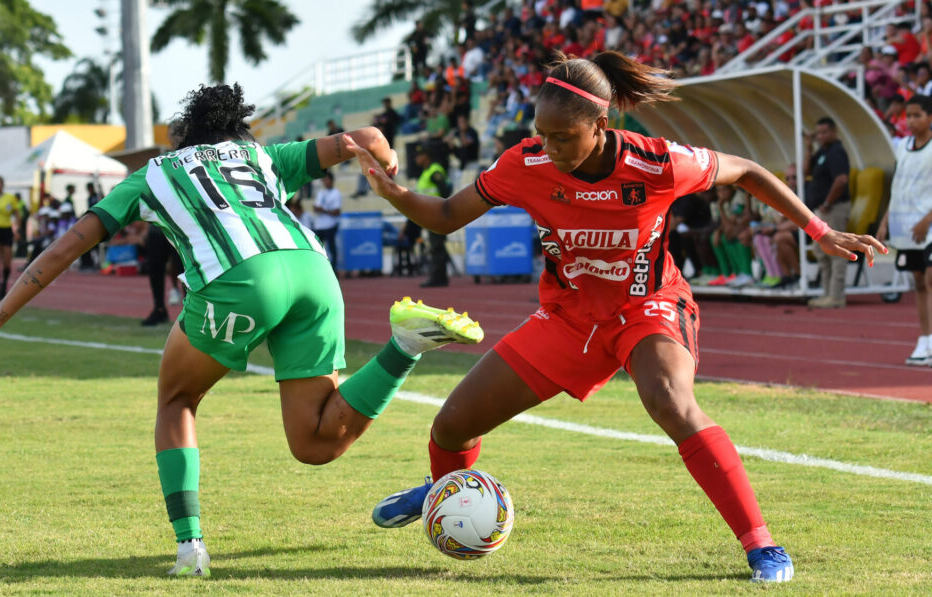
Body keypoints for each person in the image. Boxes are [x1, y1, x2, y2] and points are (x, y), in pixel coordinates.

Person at [347, 52, 886, 583]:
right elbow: (444, 216)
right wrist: (394, 193)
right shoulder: (525, 163)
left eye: (563, 137)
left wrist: (820, 230)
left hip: (646, 303)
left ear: (600, 126)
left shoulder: (659, 162)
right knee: (451, 425)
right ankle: (445, 490)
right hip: (568, 317)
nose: (549, 147)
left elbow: (746, 170)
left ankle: (762, 544)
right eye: (542, 133)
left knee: (671, 402)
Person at [0, 83, 485, 578]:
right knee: (316, 443)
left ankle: (190, 545)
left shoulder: (152, 175)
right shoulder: (260, 155)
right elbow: (364, 135)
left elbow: (67, 246)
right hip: (314, 272)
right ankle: (405, 344)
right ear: (234, 130)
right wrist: (385, 167)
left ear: (183, 137)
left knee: (177, 398)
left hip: (240, 279)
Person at [877, 94, 932, 365]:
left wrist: (927, 220)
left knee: (931, 280)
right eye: (908, 115)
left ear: (930, 117)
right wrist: (886, 220)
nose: (911, 120)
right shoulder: (901, 147)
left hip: (928, 225)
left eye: (917, 115)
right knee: (919, 283)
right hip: (906, 225)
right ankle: (925, 339)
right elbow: (897, 186)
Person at [804, 117, 852, 308]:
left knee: (836, 252)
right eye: (819, 133)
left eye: (825, 132)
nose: (821, 136)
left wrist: (826, 203)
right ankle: (827, 294)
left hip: (835, 208)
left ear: (834, 131)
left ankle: (837, 296)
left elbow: (841, 180)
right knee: (821, 252)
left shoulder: (837, 152)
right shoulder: (822, 152)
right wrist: (808, 146)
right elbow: (806, 171)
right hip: (822, 210)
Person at [414, 144, 452, 288]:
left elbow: (445, 190)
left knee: (437, 246)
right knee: (435, 246)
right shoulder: (425, 172)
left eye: (419, 155)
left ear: (426, 156)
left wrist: (440, 208)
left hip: (437, 214)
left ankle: (439, 278)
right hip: (429, 215)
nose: (416, 158)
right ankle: (438, 276)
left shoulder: (434, 170)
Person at [313, 171, 342, 269]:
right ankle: (320, 268)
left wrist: (323, 210)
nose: (325, 182)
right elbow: (316, 208)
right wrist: (321, 210)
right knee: (317, 248)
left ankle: (334, 269)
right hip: (320, 225)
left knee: (331, 248)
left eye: (326, 179)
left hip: (331, 225)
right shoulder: (320, 193)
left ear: (331, 180)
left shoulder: (336, 193)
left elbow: (337, 212)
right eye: (324, 180)